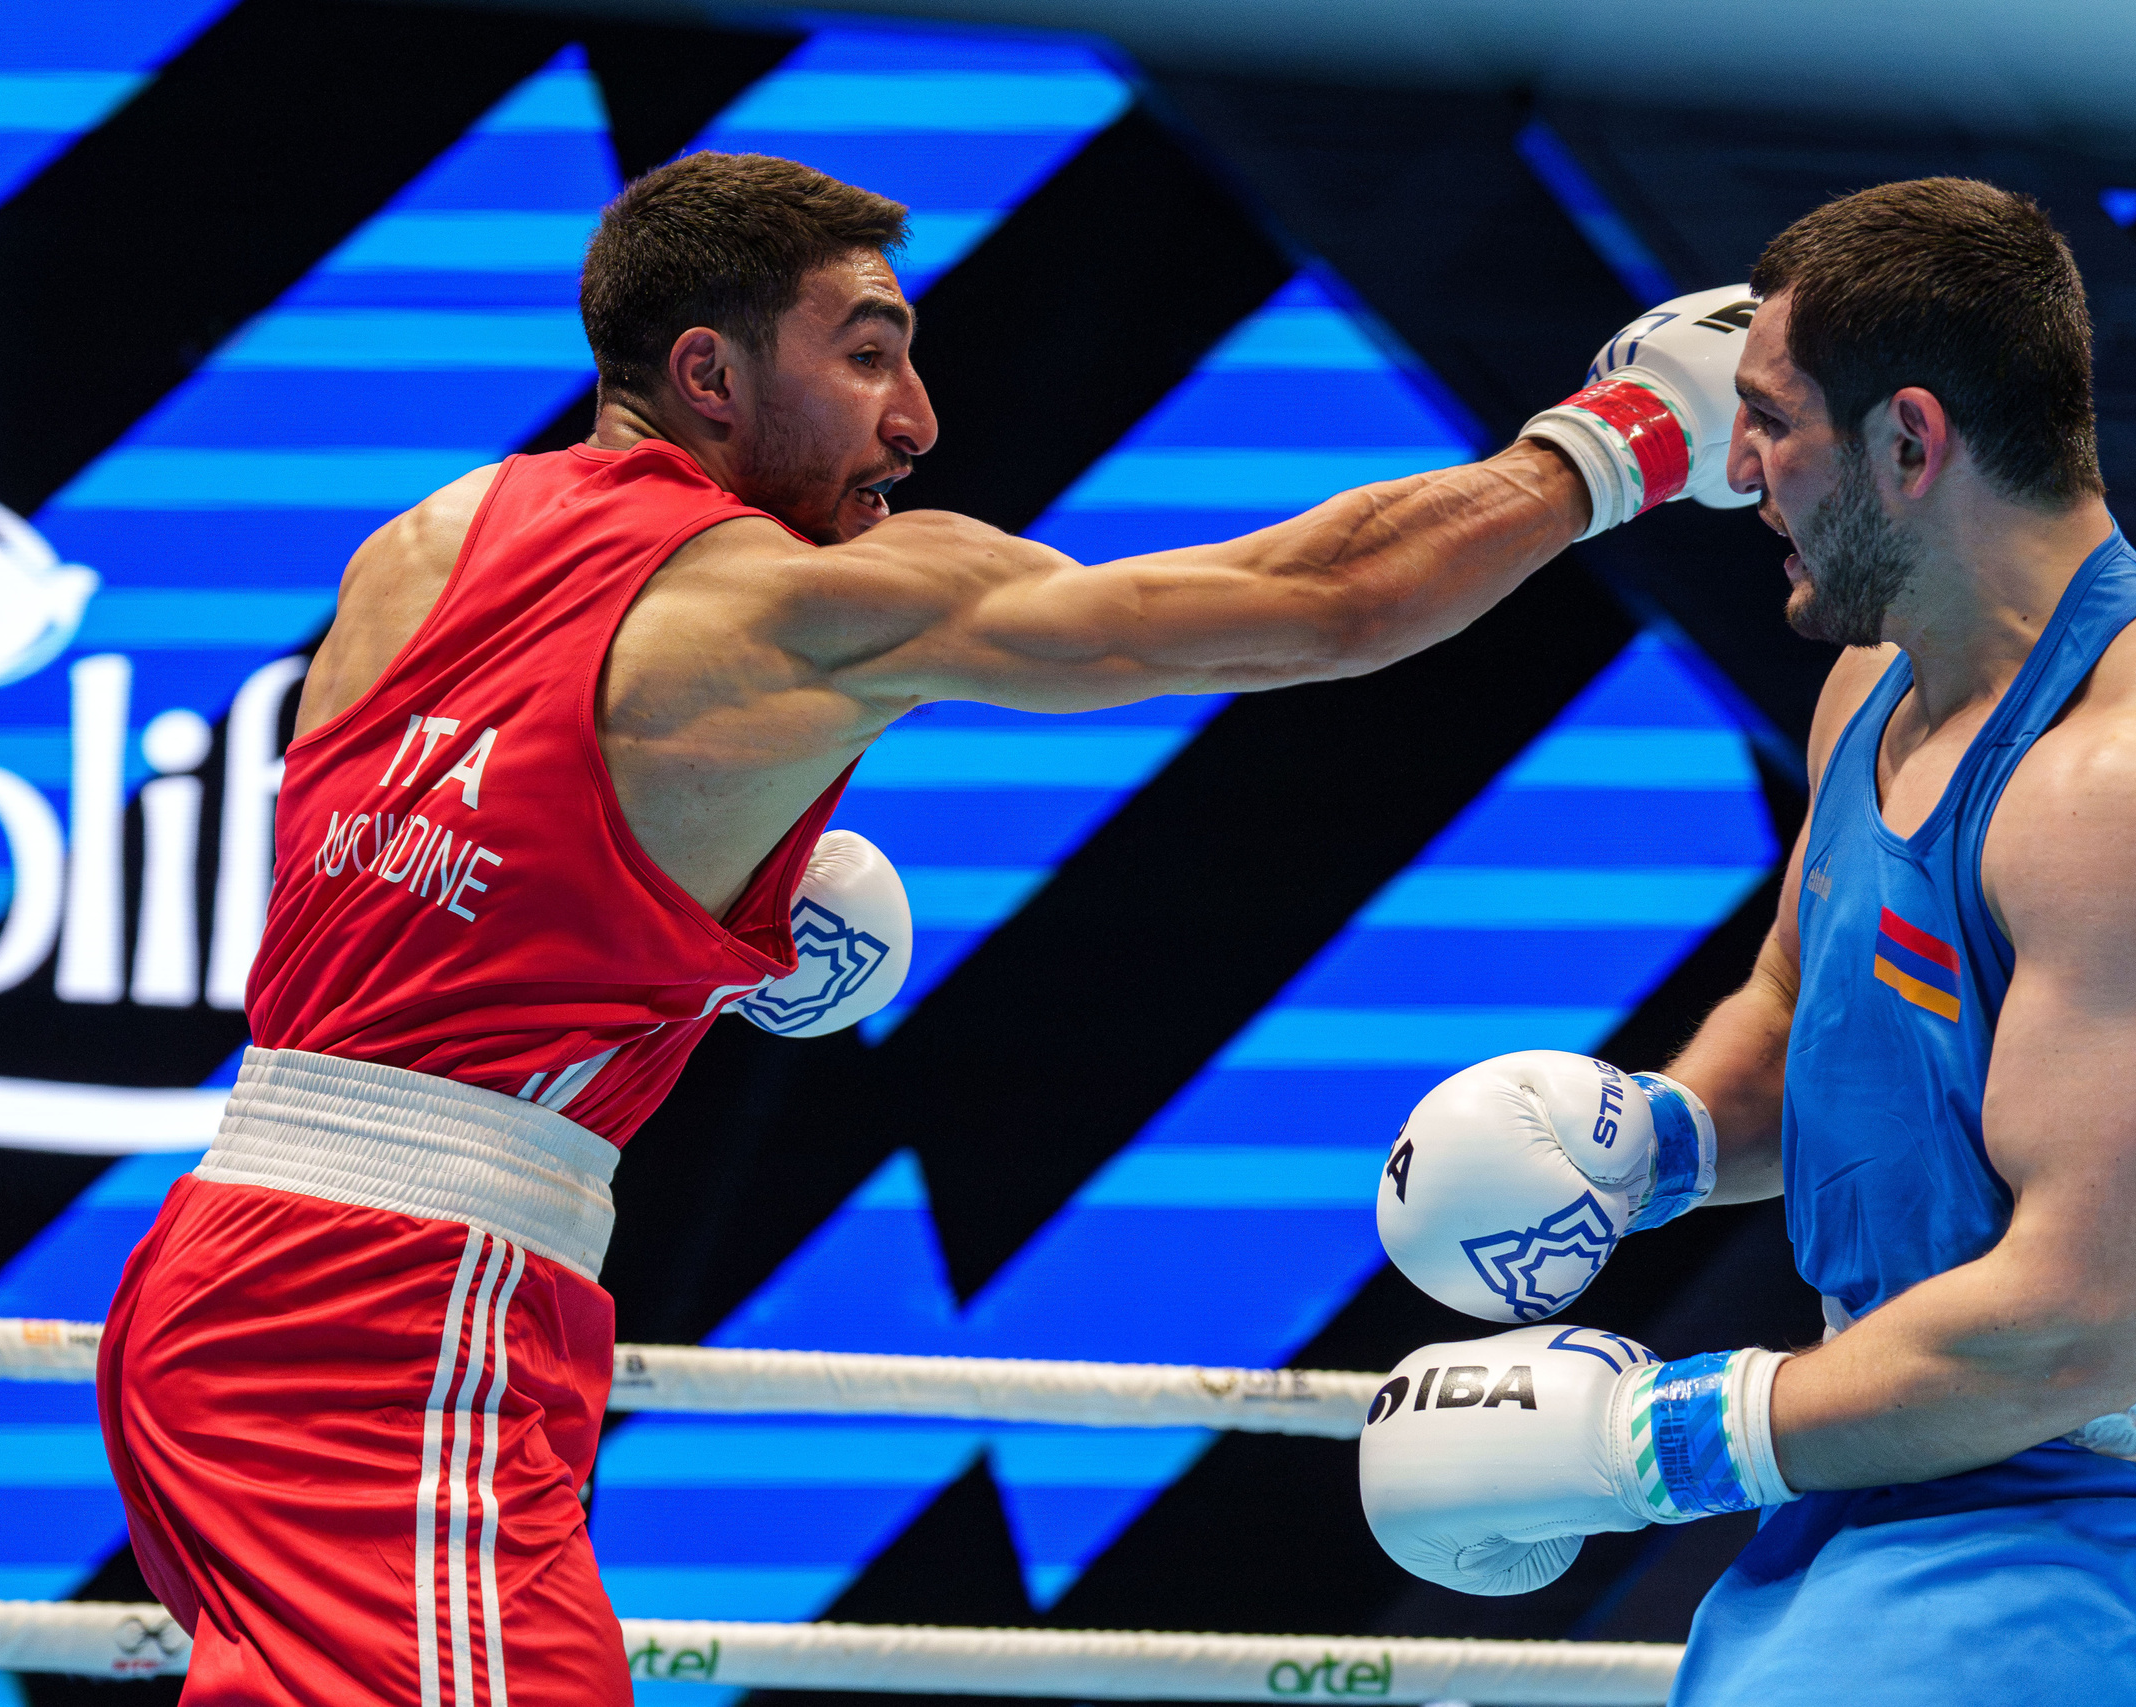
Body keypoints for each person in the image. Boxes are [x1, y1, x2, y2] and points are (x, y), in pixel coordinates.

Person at [93, 149, 1756, 1704]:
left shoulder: (424, 544)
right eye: (870, 356)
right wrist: (1620, 441)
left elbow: (440, 897)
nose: (918, 420)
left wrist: (719, 915)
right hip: (391, 1313)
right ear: (709, 374)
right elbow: (1321, 605)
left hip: (212, 1277)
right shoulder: (799, 609)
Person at [1360, 177, 2136, 1707]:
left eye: (1770, 421)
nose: (1735, 470)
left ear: (1909, 441)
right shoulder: (1877, 684)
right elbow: (1802, 1009)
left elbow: (2075, 1332)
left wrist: (1650, 1441)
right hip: (1890, 1442)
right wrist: (1657, 1144)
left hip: (2097, 1505)